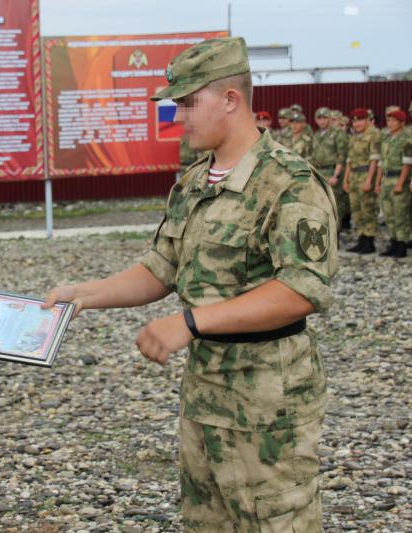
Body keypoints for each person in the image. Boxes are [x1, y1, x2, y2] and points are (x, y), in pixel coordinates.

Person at [44, 36, 336, 532]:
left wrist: (190, 323)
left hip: (267, 404)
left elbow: (302, 289)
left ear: (230, 100)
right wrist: (83, 294)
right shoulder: (196, 181)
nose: (180, 115)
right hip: (205, 398)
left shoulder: (290, 183)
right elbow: (162, 266)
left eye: (188, 102)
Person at [343, 108, 381, 253]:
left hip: (366, 174)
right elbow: (349, 161)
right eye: (354, 120)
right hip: (354, 176)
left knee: (368, 208)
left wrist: (369, 180)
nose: (357, 123)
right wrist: (346, 179)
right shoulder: (354, 137)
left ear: (367, 120)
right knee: (356, 210)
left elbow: (374, 160)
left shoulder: (374, 134)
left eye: (360, 120)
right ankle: (361, 239)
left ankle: (369, 241)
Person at [376, 108, 412, 257]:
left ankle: (402, 245)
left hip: (399, 179)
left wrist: (400, 183)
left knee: (400, 214)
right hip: (386, 178)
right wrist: (378, 182)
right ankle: (393, 242)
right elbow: (381, 162)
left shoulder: (406, 139)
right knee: (388, 213)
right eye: (388, 120)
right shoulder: (386, 138)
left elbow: (408, 163)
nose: (390, 123)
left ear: (402, 123)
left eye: (393, 121)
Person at [311, 107, 350, 231]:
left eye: (324, 118)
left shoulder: (338, 133)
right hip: (317, 172)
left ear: (330, 119)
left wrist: (336, 175)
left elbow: (341, 156)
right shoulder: (316, 135)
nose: (322, 121)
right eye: (319, 118)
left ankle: (335, 235)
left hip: (331, 172)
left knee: (334, 206)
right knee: (319, 205)